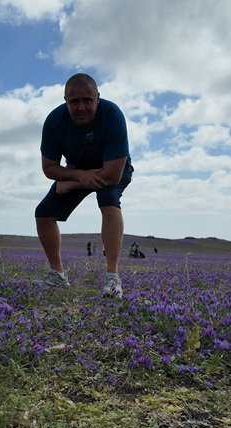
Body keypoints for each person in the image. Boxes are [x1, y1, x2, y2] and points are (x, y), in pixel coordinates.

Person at [34, 73, 134, 298]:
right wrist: (78, 176)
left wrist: (71, 183)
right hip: (77, 169)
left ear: (97, 98)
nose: (81, 107)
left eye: (87, 100)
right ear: (65, 101)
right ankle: (57, 275)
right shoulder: (54, 121)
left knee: (107, 199)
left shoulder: (113, 116)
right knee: (43, 214)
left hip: (113, 169)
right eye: (74, 102)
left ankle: (112, 278)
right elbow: (49, 167)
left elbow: (111, 176)